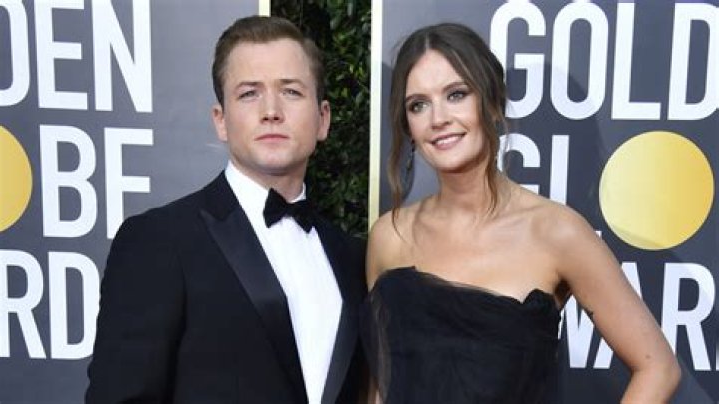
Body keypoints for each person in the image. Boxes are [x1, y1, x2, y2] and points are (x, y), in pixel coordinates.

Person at [363, 22, 680, 403]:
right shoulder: (390, 236)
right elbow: (381, 384)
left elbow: (658, 368)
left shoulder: (555, 232)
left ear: (492, 103)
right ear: (407, 124)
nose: (438, 118)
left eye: (456, 94)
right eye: (418, 104)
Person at [87, 15, 367, 404]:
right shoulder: (159, 241)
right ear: (220, 121)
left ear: (323, 120)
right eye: (249, 93)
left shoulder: (351, 256)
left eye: (291, 91)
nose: (271, 111)